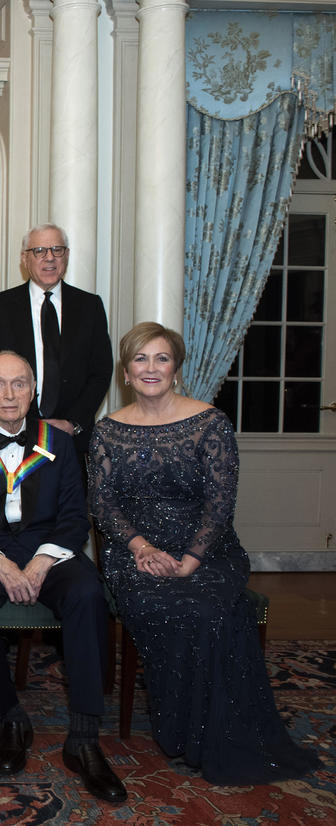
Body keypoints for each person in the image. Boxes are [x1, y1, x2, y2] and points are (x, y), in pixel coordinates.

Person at [88, 322, 320, 785]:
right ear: (126, 372)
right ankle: (184, 732)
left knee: (212, 610)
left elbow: (221, 501)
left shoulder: (210, 422)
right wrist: (142, 547)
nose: (150, 368)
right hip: (134, 552)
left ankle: (214, 733)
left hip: (209, 550)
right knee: (174, 609)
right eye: (140, 359)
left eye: (161, 358)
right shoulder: (107, 431)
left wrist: (191, 560)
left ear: (176, 367)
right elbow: (102, 503)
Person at [0, 350, 126, 803]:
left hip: (46, 550)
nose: (9, 394)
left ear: (33, 389)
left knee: (87, 594)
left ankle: (83, 737)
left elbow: (76, 517)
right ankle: (11, 718)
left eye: (19, 383)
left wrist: (41, 562)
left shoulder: (57, 442)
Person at [0, 224, 112, 455]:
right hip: (12, 435)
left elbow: (101, 372)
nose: (49, 258)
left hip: (73, 440)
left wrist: (72, 422)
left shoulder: (90, 306)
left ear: (66, 256)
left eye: (57, 250)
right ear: (24, 259)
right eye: (39, 251)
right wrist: (19, 423)